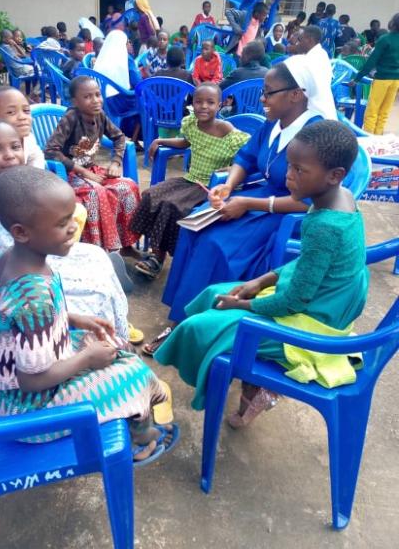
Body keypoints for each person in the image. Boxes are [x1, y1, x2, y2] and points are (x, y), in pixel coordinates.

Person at [155, 121, 368, 425]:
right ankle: (251, 387)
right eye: (290, 166)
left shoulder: (325, 225)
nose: (289, 176)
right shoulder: (338, 198)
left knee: (202, 327)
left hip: (315, 321)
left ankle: (236, 382)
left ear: (335, 175)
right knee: (211, 294)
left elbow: (292, 302)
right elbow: (309, 265)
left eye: (299, 170)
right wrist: (262, 279)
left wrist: (242, 304)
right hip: (321, 296)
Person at [0, 165, 178, 461]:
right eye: (62, 223)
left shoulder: (10, 259)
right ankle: (141, 435)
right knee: (135, 374)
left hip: (20, 378)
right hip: (26, 409)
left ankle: (132, 415)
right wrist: (86, 359)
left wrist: (74, 319)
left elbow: (19, 326)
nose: (74, 227)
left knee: (117, 348)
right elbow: (31, 381)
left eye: (71, 216)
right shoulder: (34, 300)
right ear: (21, 232)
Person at [0, 117, 131, 340]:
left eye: (15, 147)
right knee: (93, 292)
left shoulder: (18, 182)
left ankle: (116, 328)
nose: (10, 155)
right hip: (0, 281)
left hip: (31, 259)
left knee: (96, 256)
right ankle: (95, 341)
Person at [158, 56, 324, 334]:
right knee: (192, 225)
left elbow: (308, 201)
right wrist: (228, 185)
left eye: (269, 92)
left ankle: (203, 323)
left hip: (284, 211)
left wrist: (246, 203)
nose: (262, 99)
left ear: (296, 95)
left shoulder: (315, 134)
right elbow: (245, 158)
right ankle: (182, 312)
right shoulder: (275, 123)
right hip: (257, 196)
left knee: (216, 244)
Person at [130, 84, 249, 282]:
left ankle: (159, 257)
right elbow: (186, 143)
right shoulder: (192, 123)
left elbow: (246, 157)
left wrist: (229, 172)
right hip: (190, 179)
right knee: (152, 194)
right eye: (198, 101)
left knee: (172, 205)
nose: (203, 106)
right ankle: (152, 250)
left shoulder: (228, 131)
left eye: (210, 102)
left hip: (209, 187)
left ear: (219, 105)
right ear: (192, 104)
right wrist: (160, 141)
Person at [44, 75, 141, 254]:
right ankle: (100, 250)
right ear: (75, 101)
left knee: (127, 187)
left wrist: (116, 161)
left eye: (97, 95)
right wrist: (82, 172)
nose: (95, 100)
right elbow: (50, 150)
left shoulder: (100, 115)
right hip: (68, 175)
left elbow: (119, 137)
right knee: (96, 194)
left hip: (91, 171)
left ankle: (127, 245)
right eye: (87, 97)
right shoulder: (71, 118)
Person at [350, 13, 399, 135]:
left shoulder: (385, 39)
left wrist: (357, 78)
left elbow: (371, 62)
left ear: (392, 23)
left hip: (382, 79)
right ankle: (378, 137)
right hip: (396, 80)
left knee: (372, 111)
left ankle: (369, 138)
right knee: (384, 111)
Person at [93, 30, 142, 144]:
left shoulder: (102, 56)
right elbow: (137, 83)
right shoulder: (126, 58)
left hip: (100, 99)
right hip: (117, 102)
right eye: (127, 42)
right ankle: (134, 141)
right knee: (145, 102)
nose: (130, 44)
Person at [0, 86, 45, 168]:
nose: (22, 117)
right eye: (11, 112)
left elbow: (36, 157)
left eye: (26, 111)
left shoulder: (28, 138)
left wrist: (35, 175)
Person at [289, 25, 337, 119]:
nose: (298, 43)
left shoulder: (311, 59)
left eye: (300, 40)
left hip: (315, 114)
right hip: (320, 111)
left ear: (309, 40)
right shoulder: (321, 53)